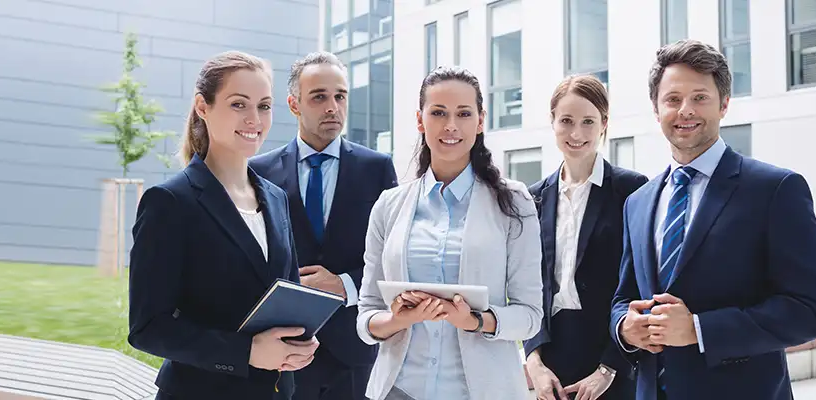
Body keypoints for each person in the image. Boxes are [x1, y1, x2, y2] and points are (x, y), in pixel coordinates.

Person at [609, 39, 816, 400]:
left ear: (724, 104)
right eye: (672, 99)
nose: (685, 110)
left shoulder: (775, 189)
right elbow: (623, 296)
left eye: (700, 97)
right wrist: (624, 327)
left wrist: (700, 329)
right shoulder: (637, 202)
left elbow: (813, 312)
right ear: (656, 110)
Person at [127, 50, 320, 400]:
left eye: (264, 106)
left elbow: (286, 293)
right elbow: (148, 328)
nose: (254, 119)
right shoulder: (169, 202)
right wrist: (245, 352)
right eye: (238, 104)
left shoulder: (276, 198)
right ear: (203, 107)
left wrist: (299, 338)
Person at [354, 65, 543, 400]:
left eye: (464, 114)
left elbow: (530, 317)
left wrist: (473, 320)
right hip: (399, 389)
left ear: (480, 121)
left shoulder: (514, 203)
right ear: (419, 120)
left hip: (481, 392)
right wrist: (397, 320)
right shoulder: (388, 205)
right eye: (438, 113)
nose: (451, 126)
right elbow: (367, 314)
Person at [250, 51, 398, 400]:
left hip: (355, 350)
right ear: (294, 104)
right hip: (284, 348)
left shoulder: (376, 168)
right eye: (319, 97)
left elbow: (395, 256)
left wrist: (344, 285)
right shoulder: (258, 172)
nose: (333, 106)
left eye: (340, 96)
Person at [524, 75, 648, 400]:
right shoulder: (533, 198)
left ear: (604, 124)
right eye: (566, 121)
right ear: (552, 121)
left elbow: (641, 284)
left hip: (613, 357)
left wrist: (609, 367)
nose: (576, 133)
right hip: (551, 363)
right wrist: (534, 361)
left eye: (588, 121)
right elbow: (527, 286)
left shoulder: (632, 191)